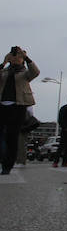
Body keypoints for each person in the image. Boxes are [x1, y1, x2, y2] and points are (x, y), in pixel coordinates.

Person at [0, 47, 39, 175]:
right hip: (2, 106)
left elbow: (36, 72)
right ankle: (3, 158)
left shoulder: (25, 73)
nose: (16, 57)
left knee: (12, 137)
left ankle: (7, 165)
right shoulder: (4, 71)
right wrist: (4, 62)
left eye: (19, 56)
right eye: (14, 55)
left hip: (18, 107)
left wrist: (26, 58)